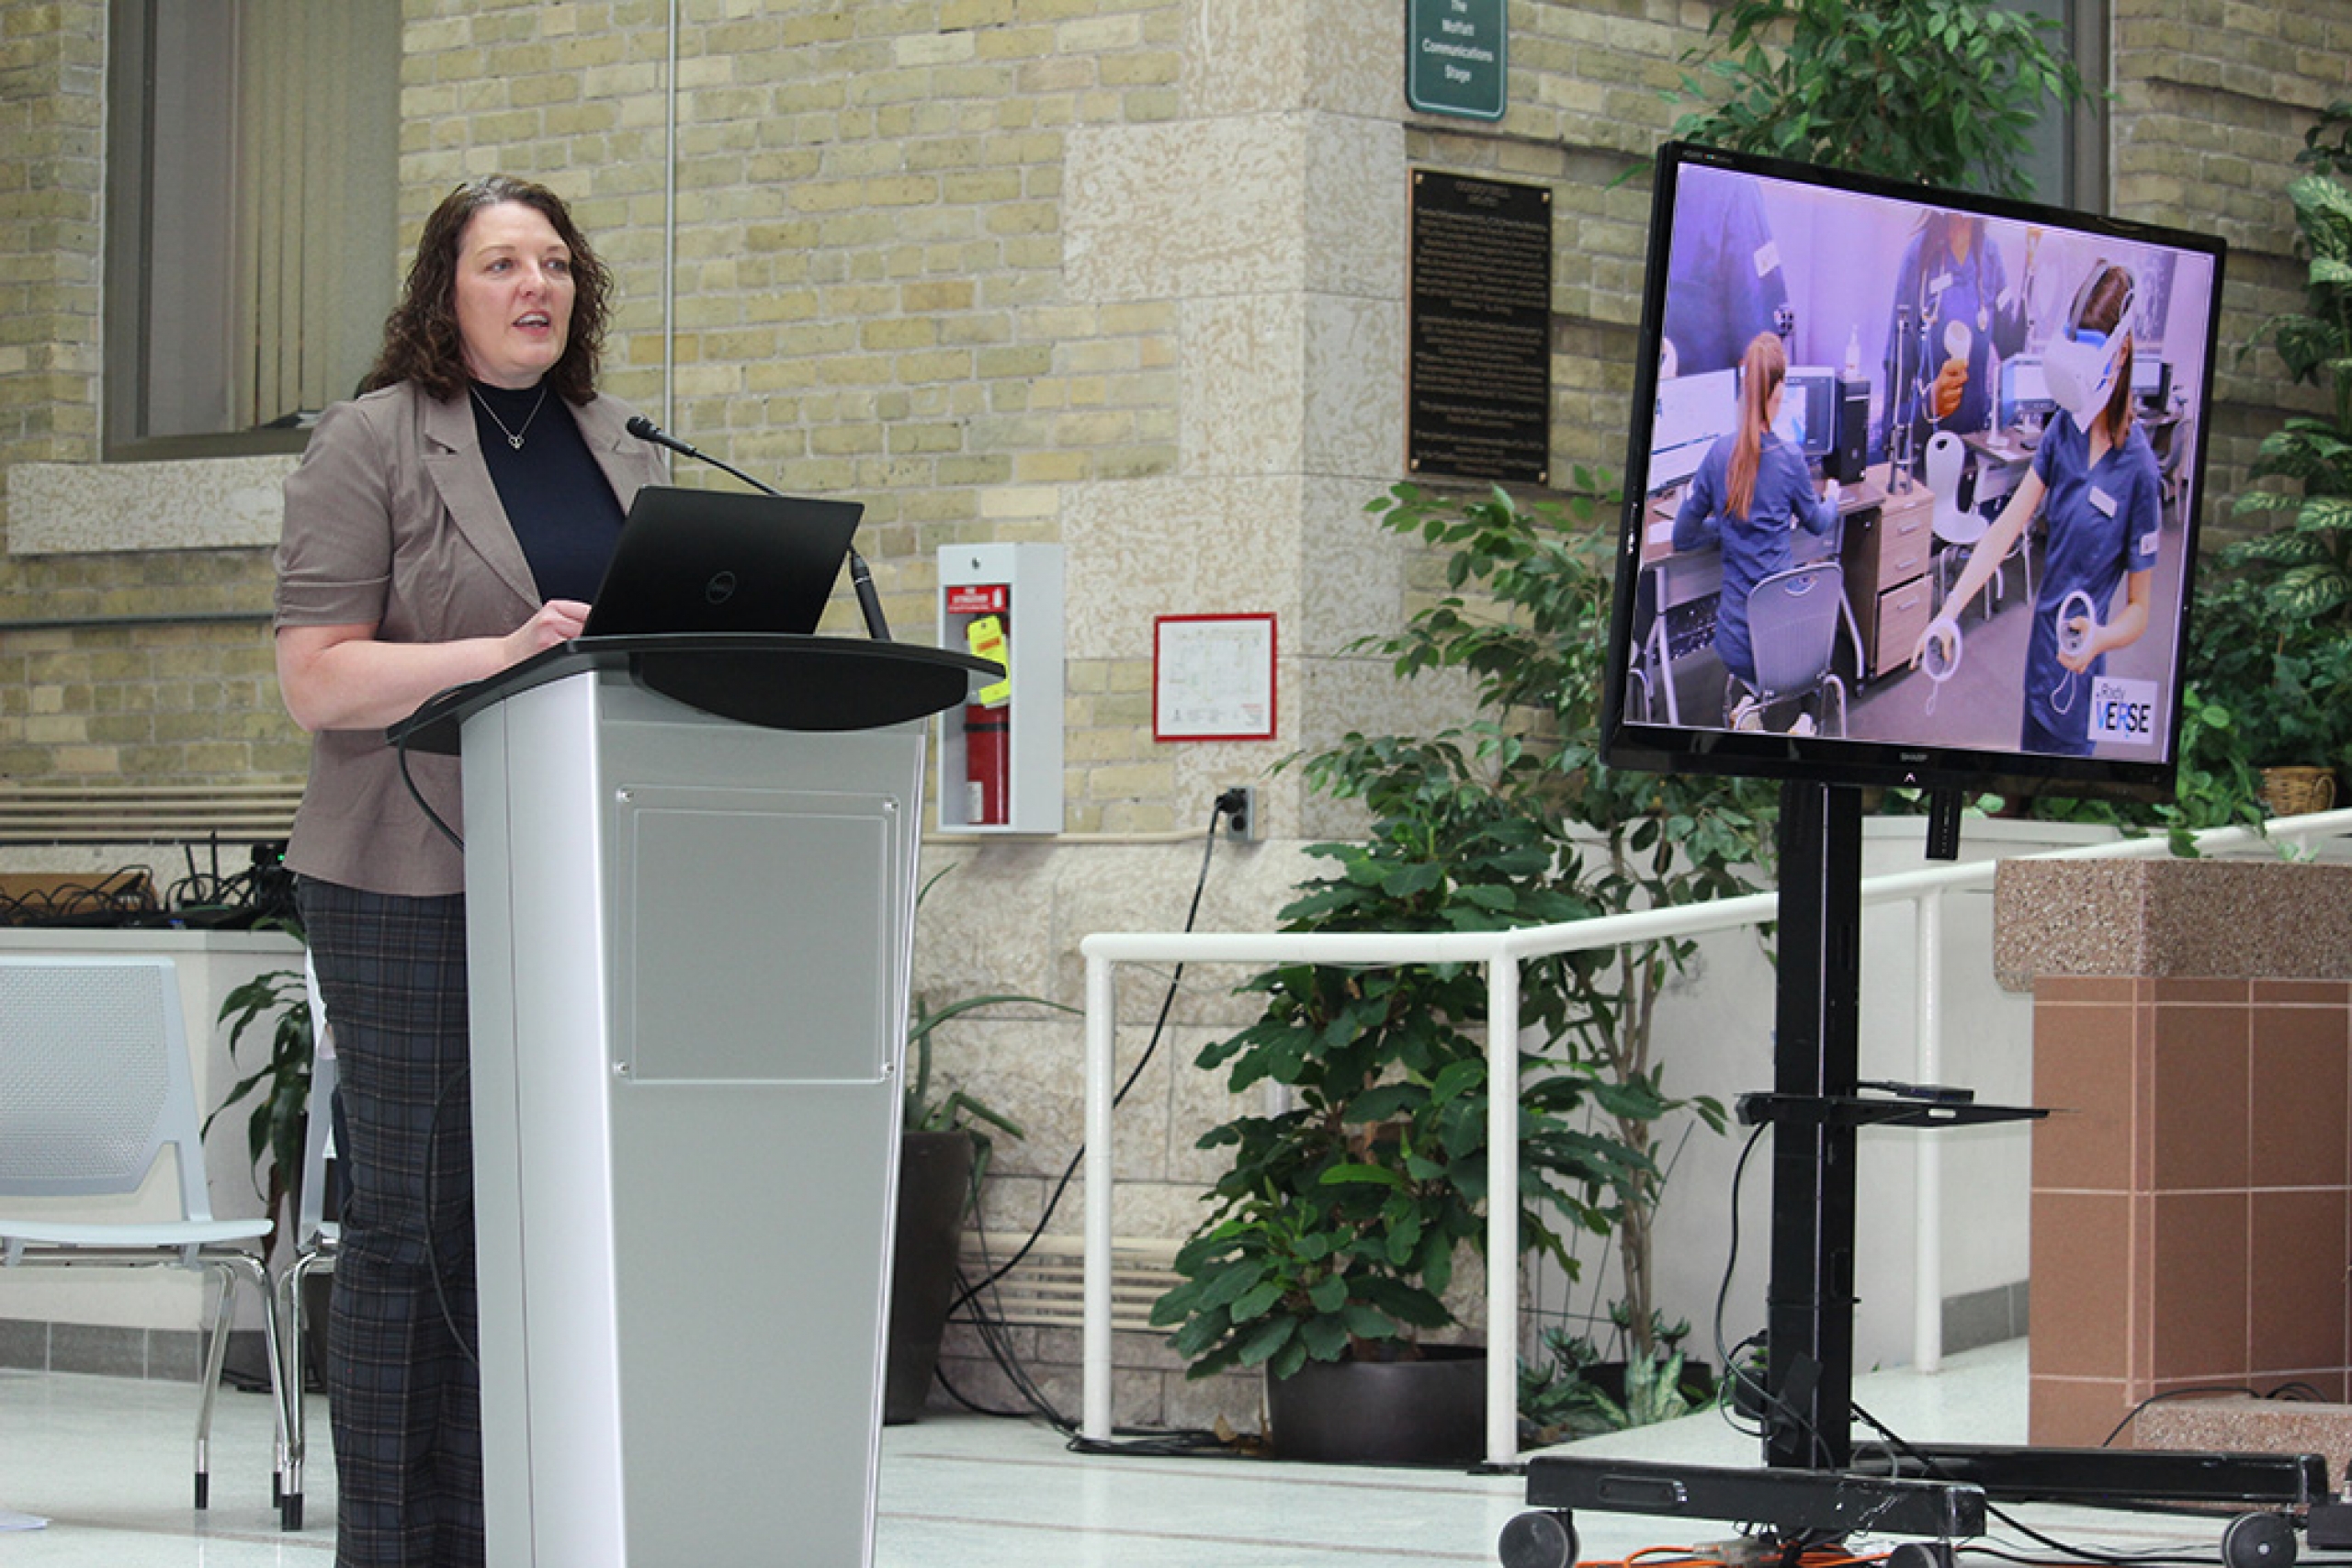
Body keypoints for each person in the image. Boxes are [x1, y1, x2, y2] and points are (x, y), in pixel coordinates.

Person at [272, 175, 666, 1568]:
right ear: (447, 289)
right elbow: (318, 679)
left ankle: (516, 1524)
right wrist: (490, 656)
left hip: (577, 872)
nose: (536, 286)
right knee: (414, 1219)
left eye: (555, 262)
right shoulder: (370, 441)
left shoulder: (619, 444)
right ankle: (393, 1538)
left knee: (537, 1219)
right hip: (403, 870)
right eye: (503, 262)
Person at [1914, 263, 2159, 756]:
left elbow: (2139, 610)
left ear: (2122, 351)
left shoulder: (2139, 471)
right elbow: (2005, 527)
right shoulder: (2063, 432)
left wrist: (2100, 640)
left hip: (2082, 661)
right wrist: (1948, 611)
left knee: (2063, 791)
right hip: (2041, 654)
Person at [1671, 331, 1841, 728]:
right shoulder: (1790, 459)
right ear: (1778, 394)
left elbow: (1682, 536)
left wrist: (1728, 526)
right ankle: (1803, 721)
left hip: (1737, 645)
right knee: (1809, 659)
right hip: (1786, 642)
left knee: (1754, 660)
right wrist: (1832, 496)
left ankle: (1750, 707)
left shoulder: (1717, 454)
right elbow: (1817, 524)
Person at [1882, 211, 2031, 477]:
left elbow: (2011, 349)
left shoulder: (1990, 256)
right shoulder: (1919, 256)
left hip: (1976, 455)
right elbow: (1894, 406)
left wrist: (2031, 267)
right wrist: (1929, 404)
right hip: (1928, 455)